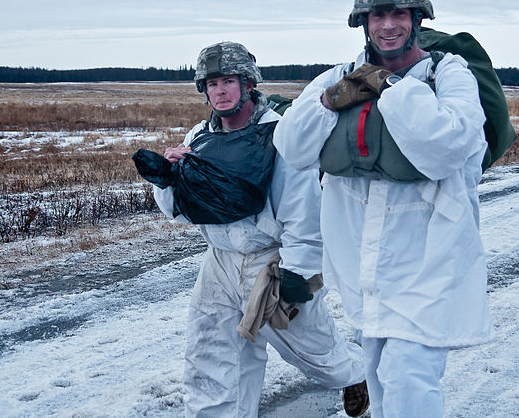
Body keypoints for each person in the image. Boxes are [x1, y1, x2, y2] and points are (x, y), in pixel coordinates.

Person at [273, 0, 495, 417]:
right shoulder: (340, 75)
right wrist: (329, 99)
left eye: (398, 13)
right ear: (363, 22)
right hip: (362, 261)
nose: (387, 24)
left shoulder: (448, 73)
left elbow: (448, 147)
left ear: (417, 19)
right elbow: (291, 146)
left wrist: (391, 88)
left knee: (408, 375)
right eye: (377, 15)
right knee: (376, 371)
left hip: (429, 255)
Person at [146, 42, 368, 417]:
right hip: (219, 261)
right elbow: (183, 213)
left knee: (309, 349)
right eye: (212, 83)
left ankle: (356, 374)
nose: (220, 90)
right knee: (209, 351)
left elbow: (302, 211)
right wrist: (168, 180)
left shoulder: (278, 135)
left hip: (270, 262)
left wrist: (298, 270)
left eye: (228, 81)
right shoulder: (198, 138)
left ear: (248, 83)